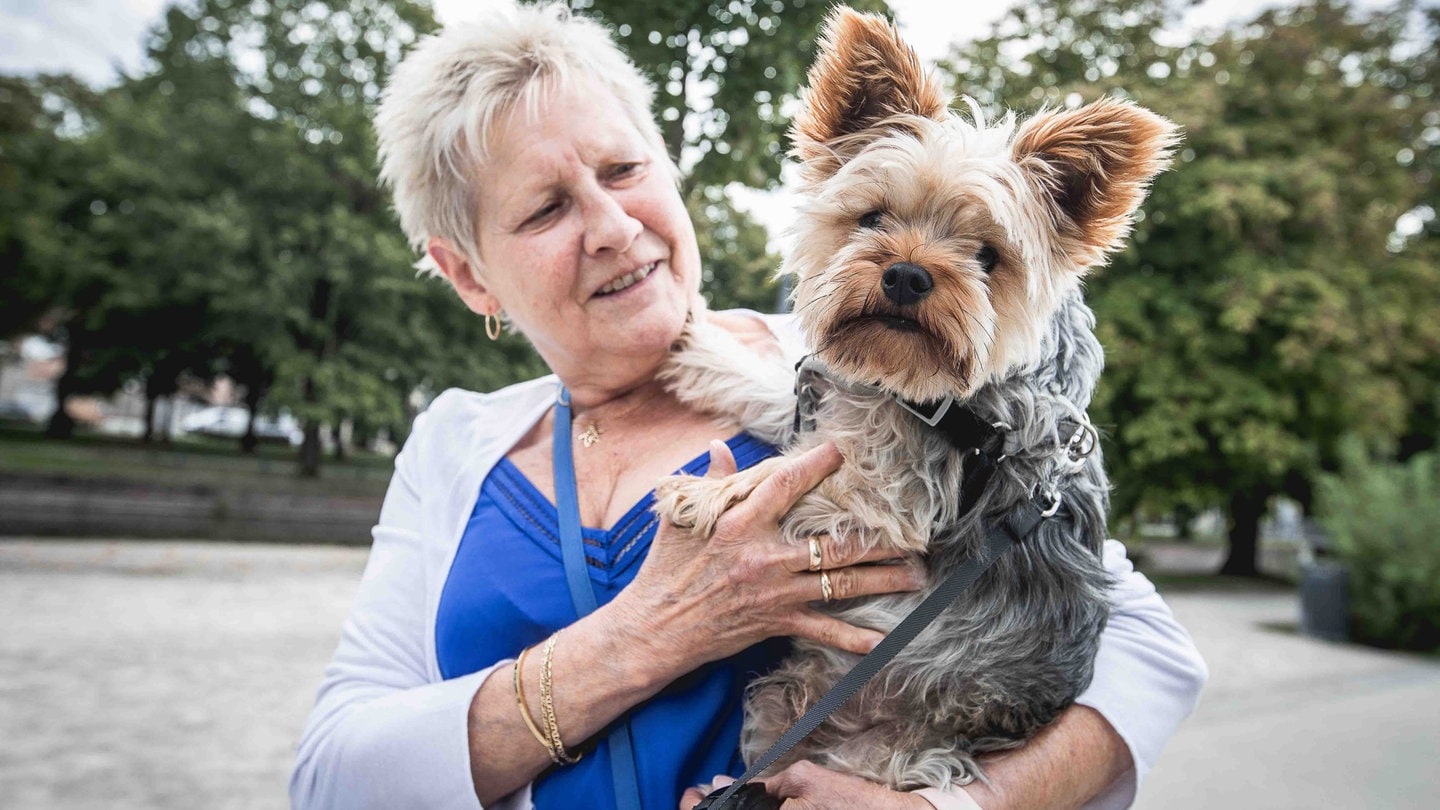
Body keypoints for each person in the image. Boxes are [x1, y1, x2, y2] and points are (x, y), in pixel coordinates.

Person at [288, 3, 1208, 809]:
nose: (612, 227)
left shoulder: (880, 391)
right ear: (469, 276)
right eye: (543, 210)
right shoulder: (457, 443)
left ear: (671, 170)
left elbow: (1147, 654)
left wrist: (950, 809)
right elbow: (332, 775)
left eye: (622, 169)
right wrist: (643, 639)